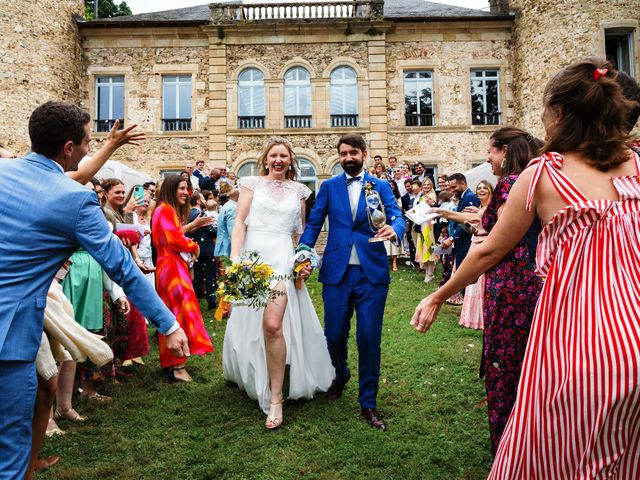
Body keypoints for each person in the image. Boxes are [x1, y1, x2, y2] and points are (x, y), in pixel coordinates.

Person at [412, 58, 640, 477]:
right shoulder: (638, 167)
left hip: (578, 338)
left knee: (555, 450)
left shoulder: (544, 174)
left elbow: (488, 251)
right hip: (635, 335)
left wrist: (438, 294)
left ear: (561, 114)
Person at [0, 101, 189, 479]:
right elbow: (122, 267)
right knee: (9, 453)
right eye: (87, 142)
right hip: (9, 335)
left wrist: (110, 146)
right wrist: (168, 324)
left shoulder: (5, 171)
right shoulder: (75, 199)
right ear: (69, 148)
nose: (89, 148)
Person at [223, 137, 334, 429]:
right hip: (252, 259)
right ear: (265, 159)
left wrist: (303, 261)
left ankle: (275, 398)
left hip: (283, 262)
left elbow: (299, 234)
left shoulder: (299, 191)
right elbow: (240, 224)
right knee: (248, 321)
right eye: (273, 155)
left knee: (272, 325)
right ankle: (246, 371)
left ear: (290, 161)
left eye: (283, 155)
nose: (278, 160)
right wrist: (236, 260)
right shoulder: (250, 184)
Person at [299, 133, 405, 431]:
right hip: (337, 272)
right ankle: (340, 373)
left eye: (353, 153)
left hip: (372, 273)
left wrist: (394, 230)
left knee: (368, 338)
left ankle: (368, 401)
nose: (348, 158)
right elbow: (314, 222)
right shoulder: (329, 187)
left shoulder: (380, 186)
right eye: (343, 153)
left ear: (364, 154)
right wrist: (304, 251)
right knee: (333, 335)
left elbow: (397, 216)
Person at [152, 175, 214, 382]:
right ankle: (177, 366)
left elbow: (173, 235)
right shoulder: (165, 209)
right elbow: (174, 240)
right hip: (172, 268)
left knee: (171, 314)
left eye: (187, 189)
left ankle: (172, 362)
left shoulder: (162, 210)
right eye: (181, 188)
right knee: (179, 314)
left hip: (168, 266)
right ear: (171, 189)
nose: (186, 193)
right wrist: (193, 246)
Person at [441, 173, 480, 271]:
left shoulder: (469, 197)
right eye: (450, 188)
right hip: (462, 241)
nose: (452, 190)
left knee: (463, 270)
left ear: (463, 183)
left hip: (466, 241)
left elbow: (466, 223)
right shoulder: (463, 197)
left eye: (454, 187)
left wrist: (451, 238)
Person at [214, 188, 238, 258]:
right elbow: (233, 231)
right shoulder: (233, 208)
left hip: (223, 245)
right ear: (239, 196)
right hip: (227, 247)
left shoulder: (227, 205)